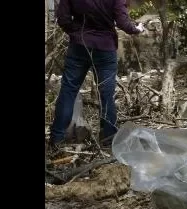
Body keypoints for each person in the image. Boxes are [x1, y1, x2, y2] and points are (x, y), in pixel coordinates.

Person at [49, 0, 145, 149]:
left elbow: (63, 19)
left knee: (68, 90)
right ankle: (108, 140)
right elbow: (122, 23)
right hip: (105, 49)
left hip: (79, 47)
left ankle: (57, 138)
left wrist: (77, 34)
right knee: (106, 95)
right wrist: (137, 29)